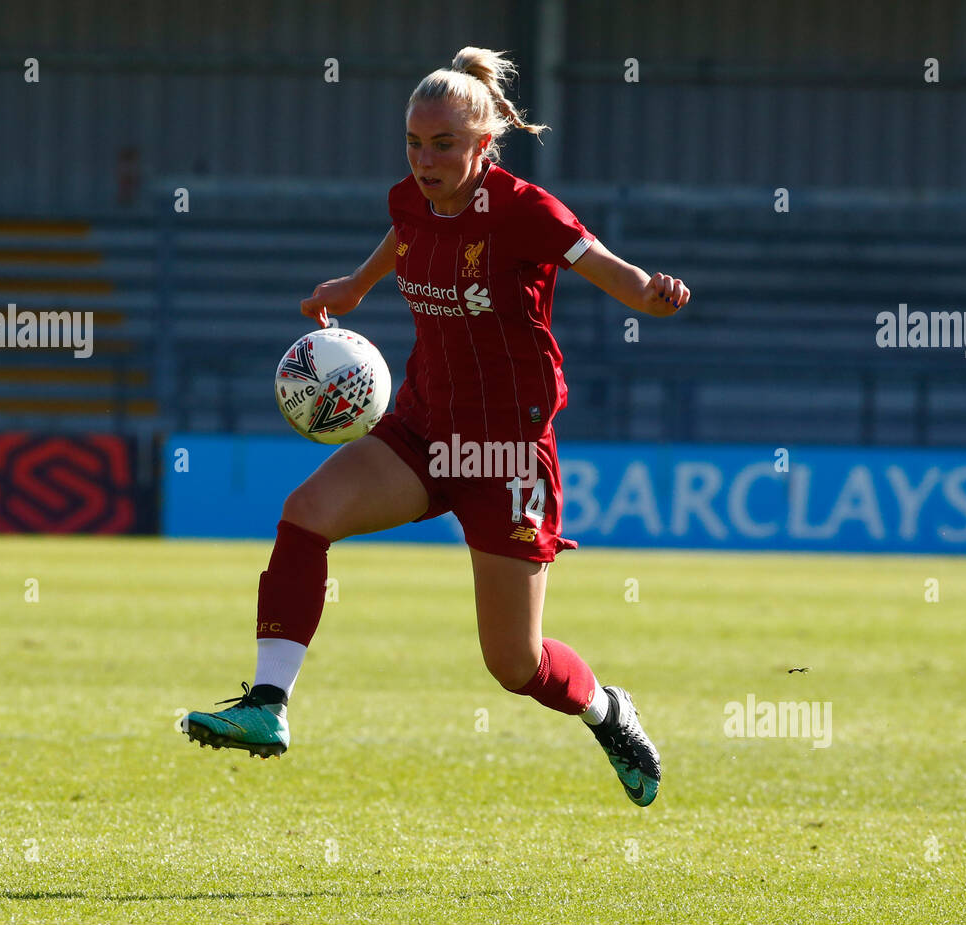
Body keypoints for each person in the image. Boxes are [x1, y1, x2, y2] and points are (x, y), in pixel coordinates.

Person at [181, 47, 689, 806]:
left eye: (444, 144)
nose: (425, 159)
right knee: (305, 515)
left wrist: (649, 296)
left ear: (484, 144)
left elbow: (604, 265)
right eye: (415, 143)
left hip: (509, 451)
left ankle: (606, 708)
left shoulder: (528, 210)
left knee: (513, 665)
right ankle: (268, 703)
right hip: (424, 429)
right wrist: (354, 285)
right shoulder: (409, 200)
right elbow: (404, 234)